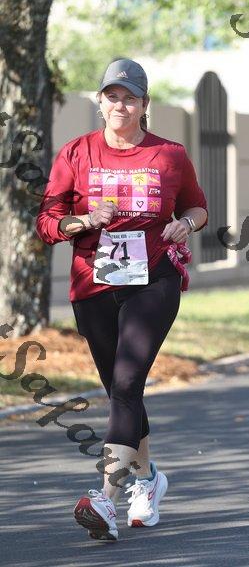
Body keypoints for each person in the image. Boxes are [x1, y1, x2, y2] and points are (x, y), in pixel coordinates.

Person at [35, 57, 208, 542]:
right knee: (119, 390)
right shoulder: (76, 153)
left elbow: (197, 205)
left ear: (144, 104)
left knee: (129, 381)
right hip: (93, 282)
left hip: (153, 279)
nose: (120, 105)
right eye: (112, 96)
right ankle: (149, 480)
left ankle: (105, 499)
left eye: (130, 97)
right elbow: (48, 220)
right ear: (100, 101)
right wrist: (82, 221)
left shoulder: (169, 155)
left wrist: (185, 223)